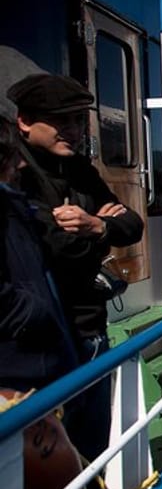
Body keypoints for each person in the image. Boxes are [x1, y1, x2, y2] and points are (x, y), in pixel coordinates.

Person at [8, 74, 144, 466]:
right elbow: (55, 244)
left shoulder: (80, 169)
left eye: (77, 120)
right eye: (61, 121)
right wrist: (100, 229)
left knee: (90, 450)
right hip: (45, 343)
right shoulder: (19, 174)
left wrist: (96, 225)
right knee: (53, 464)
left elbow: (131, 223)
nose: (73, 130)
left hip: (89, 328)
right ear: (25, 121)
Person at [0, 118, 79, 391]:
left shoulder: (16, 208)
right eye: (12, 156)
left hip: (42, 370)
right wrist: (38, 311)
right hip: (20, 379)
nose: (21, 165)